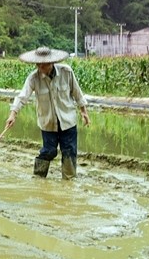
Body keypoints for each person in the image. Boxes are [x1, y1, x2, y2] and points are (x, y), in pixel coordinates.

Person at [5, 46, 90, 179]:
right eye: (38, 64)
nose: (40, 68)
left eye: (43, 65)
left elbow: (77, 92)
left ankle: (69, 181)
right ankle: (38, 177)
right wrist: (13, 114)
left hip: (67, 120)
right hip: (48, 122)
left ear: (51, 63)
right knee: (49, 151)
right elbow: (22, 97)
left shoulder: (66, 72)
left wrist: (84, 111)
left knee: (69, 152)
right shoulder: (33, 78)